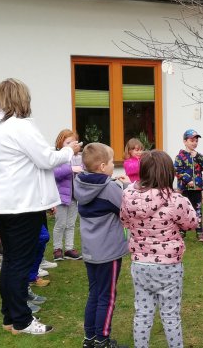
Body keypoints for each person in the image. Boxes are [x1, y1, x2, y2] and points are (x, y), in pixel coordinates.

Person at [0, 78, 80, 335]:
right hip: (22, 203)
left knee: (12, 261)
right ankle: (22, 321)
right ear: (22, 99)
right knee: (19, 263)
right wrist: (69, 151)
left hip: (5, 203)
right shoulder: (20, 126)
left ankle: (10, 317)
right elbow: (47, 158)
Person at [120, 150, 198, 348]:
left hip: (140, 263)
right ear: (168, 173)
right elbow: (191, 223)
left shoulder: (128, 195)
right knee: (171, 314)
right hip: (169, 266)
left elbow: (124, 220)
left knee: (143, 314)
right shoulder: (176, 200)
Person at [74, 143, 130, 348]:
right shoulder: (108, 188)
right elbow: (126, 209)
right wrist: (126, 186)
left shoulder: (80, 184)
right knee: (107, 296)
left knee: (95, 293)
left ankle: (89, 338)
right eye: (112, 163)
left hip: (91, 250)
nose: (114, 167)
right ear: (102, 166)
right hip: (109, 252)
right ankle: (102, 340)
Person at [53, 129, 84, 261]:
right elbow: (55, 173)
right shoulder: (57, 157)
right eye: (68, 142)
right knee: (61, 224)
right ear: (60, 143)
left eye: (74, 142)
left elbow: (83, 168)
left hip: (73, 197)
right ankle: (57, 249)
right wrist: (71, 169)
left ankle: (69, 249)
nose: (71, 145)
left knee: (71, 224)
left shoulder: (77, 157)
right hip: (61, 197)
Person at [174, 129, 203, 241]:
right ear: (185, 142)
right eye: (192, 140)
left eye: (196, 140)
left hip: (197, 188)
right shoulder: (180, 156)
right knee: (183, 209)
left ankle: (199, 233)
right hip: (184, 189)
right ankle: (181, 231)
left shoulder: (198, 156)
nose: (194, 143)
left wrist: (198, 156)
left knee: (197, 209)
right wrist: (187, 179)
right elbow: (177, 170)